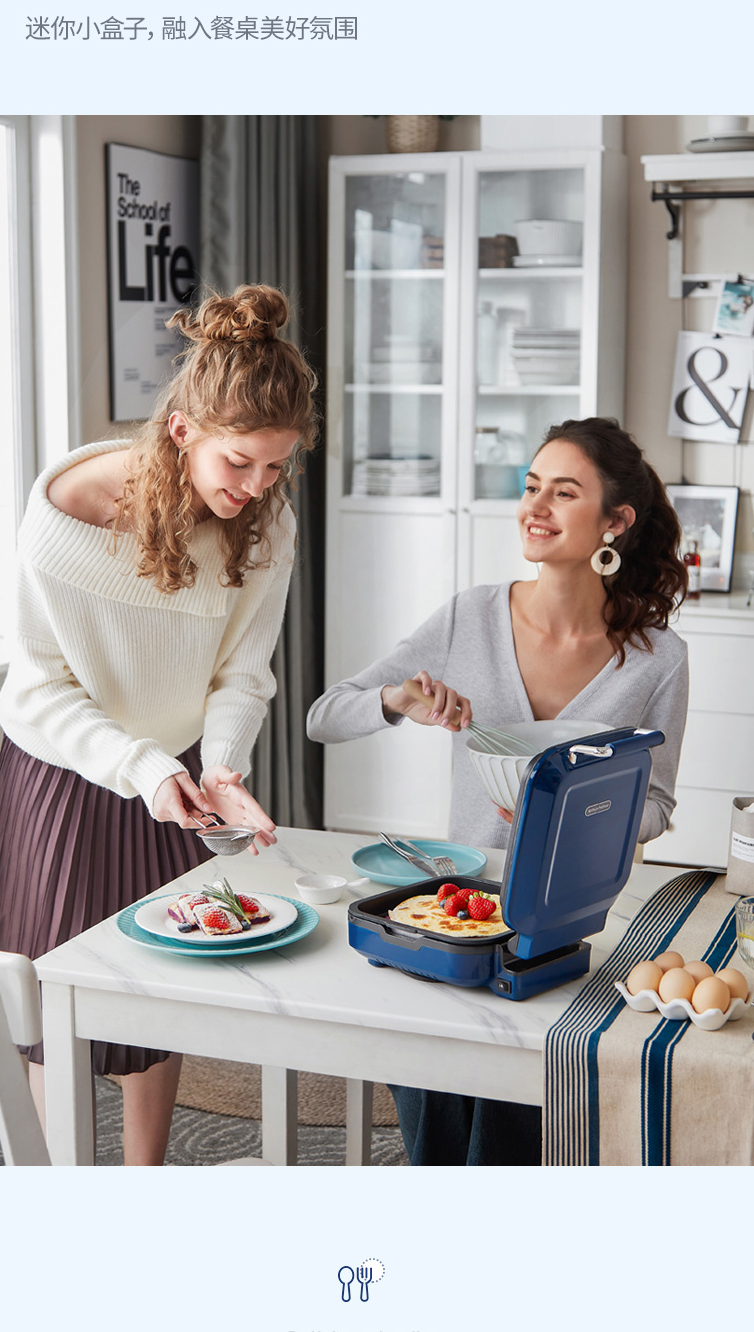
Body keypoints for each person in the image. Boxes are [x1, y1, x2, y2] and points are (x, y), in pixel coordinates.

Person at [0, 283, 318, 1165]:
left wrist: (221, 767)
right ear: (182, 431)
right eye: (240, 463)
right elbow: (43, 688)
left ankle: (144, 1184)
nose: (257, 487)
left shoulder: (266, 524)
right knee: (53, 1003)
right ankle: (61, 1197)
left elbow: (242, 672)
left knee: (158, 988)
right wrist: (143, 767)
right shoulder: (66, 516)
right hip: (63, 770)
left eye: (276, 467)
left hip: (175, 770)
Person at [307, 416, 689, 1165]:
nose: (535, 507)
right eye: (531, 486)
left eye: (564, 493)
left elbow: (657, 804)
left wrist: (577, 816)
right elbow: (325, 716)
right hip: (454, 911)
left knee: (508, 1148)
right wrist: (398, 699)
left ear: (615, 521)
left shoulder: (658, 658)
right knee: (435, 1135)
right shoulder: (470, 616)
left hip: (567, 925)